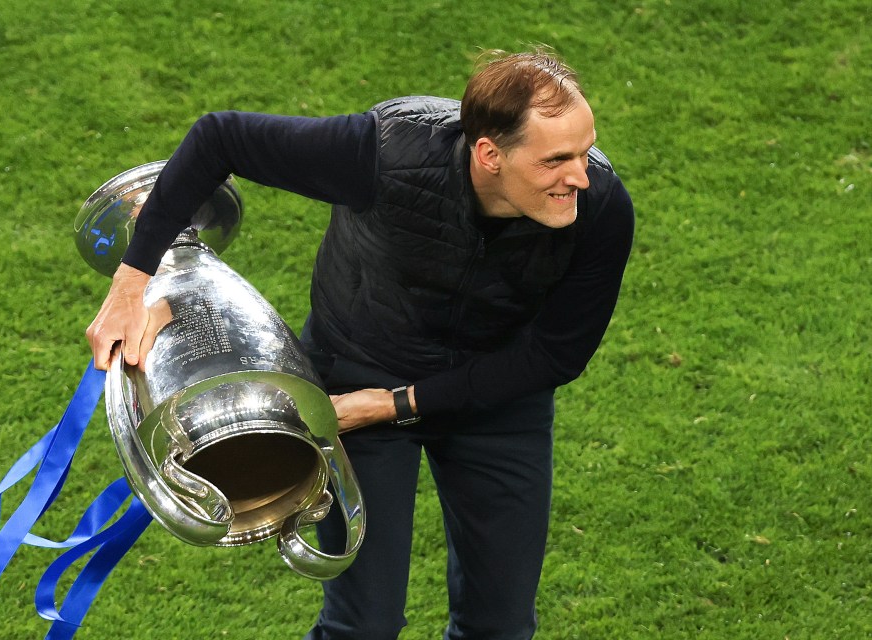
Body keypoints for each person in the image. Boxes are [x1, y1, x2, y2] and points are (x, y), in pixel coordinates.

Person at [86, 48, 634, 640]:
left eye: (585, 151)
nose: (580, 175)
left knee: (499, 627)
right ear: (490, 155)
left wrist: (397, 403)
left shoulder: (599, 207)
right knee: (362, 628)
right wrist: (131, 280)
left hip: (494, 402)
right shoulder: (386, 153)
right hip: (355, 378)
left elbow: (555, 355)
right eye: (557, 159)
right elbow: (220, 138)